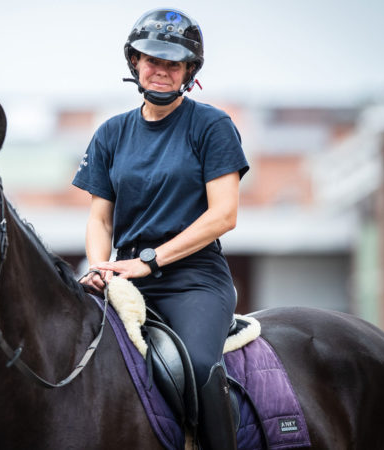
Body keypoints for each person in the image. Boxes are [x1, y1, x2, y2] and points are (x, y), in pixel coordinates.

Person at [72, 8, 249, 450]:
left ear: (189, 70)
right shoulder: (111, 134)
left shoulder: (211, 126)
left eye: (173, 63)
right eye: (152, 60)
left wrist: (150, 261)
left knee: (202, 364)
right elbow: (100, 218)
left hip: (194, 281)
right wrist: (100, 266)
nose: (161, 71)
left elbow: (223, 215)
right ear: (134, 63)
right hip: (125, 279)